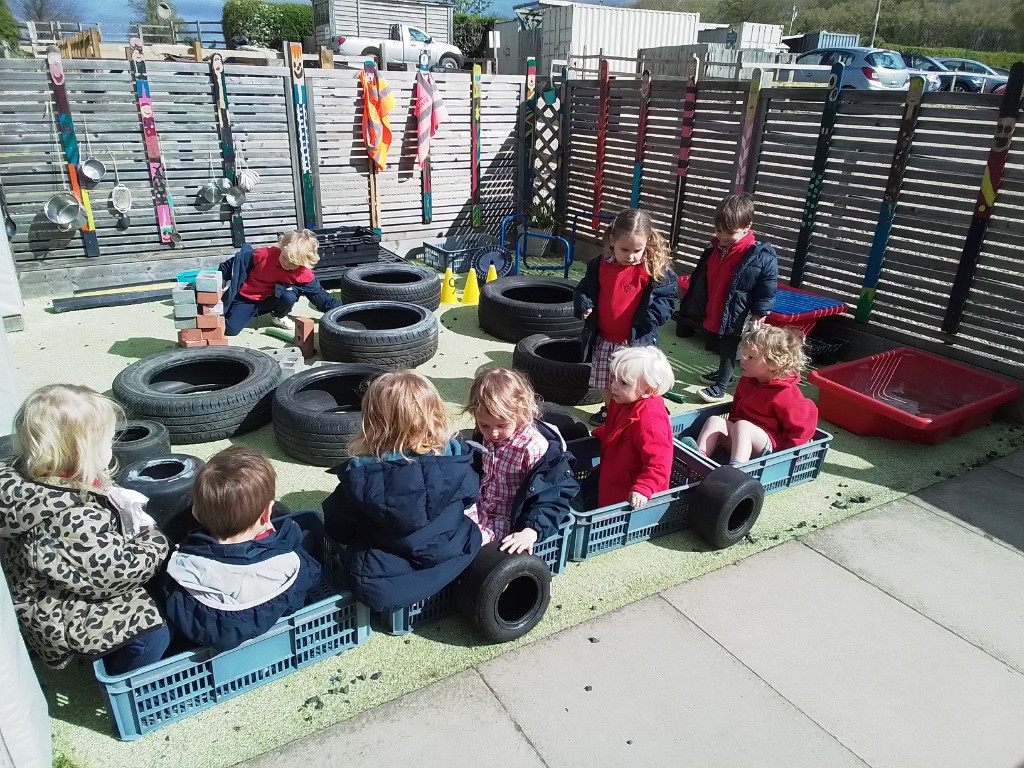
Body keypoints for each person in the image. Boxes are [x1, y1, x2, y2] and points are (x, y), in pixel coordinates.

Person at [0, 384, 171, 674]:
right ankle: (123, 673)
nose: (112, 447)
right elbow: (114, 575)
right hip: (55, 613)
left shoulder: (20, 476)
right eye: (107, 441)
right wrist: (154, 541)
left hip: (42, 588)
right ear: (81, 452)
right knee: (153, 636)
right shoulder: (69, 516)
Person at [322, 371, 482, 612]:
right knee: (468, 527)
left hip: (385, 583)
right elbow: (471, 495)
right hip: (456, 552)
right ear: (434, 415)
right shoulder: (455, 458)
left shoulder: (360, 477)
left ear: (372, 425)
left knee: (358, 561)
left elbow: (338, 528)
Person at [162, 446, 322, 653]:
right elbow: (310, 579)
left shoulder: (182, 565)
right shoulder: (290, 563)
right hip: (274, 630)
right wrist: (277, 542)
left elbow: (178, 609)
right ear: (267, 513)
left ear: (196, 514)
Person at [574, 208, 677, 426]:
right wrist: (584, 303)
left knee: (634, 382)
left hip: (635, 342)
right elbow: (583, 290)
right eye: (625, 249)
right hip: (604, 338)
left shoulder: (654, 269)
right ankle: (611, 412)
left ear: (647, 243)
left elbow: (666, 301)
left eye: (637, 250)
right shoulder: (598, 265)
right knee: (607, 381)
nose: (630, 256)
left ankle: (637, 413)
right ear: (612, 241)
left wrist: (650, 318)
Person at [464, 369, 579, 555]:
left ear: (521, 412)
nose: (493, 433)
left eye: (502, 425)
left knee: (471, 546)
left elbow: (553, 494)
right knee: (446, 528)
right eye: (484, 425)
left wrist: (530, 530)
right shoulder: (483, 435)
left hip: (509, 518)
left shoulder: (534, 447)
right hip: (481, 506)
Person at [677, 193, 779, 403]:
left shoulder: (759, 255)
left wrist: (761, 311)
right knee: (716, 342)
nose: (722, 236)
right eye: (718, 230)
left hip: (739, 311)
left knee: (728, 347)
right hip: (717, 305)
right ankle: (725, 374)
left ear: (747, 226)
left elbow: (767, 285)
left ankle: (721, 387)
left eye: (729, 232)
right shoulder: (716, 249)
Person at [692, 325, 819, 464]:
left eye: (751, 357)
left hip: (768, 448)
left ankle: (735, 470)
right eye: (744, 355)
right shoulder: (746, 381)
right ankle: (698, 459)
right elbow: (736, 411)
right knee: (715, 421)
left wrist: (787, 459)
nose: (743, 360)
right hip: (740, 437)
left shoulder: (787, 394)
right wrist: (724, 437)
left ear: (773, 363)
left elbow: (801, 430)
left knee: (743, 426)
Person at [593, 347, 676, 509]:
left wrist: (644, 488)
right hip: (613, 476)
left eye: (623, 382)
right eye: (614, 378)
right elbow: (615, 426)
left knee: (610, 521)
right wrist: (599, 434)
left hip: (630, 493)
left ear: (648, 390)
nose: (614, 386)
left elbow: (660, 463)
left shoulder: (650, 421)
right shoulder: (622, 400)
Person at [219, 229, 341, 336]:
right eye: (285, 258)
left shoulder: (302, 274)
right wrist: (222, 278)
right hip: (246, 297)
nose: (287, 264)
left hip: (272, 298)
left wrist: (343, 311)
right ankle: (246, 312)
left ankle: (279, 316)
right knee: (230, 329)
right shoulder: (264, 255)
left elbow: (322, 298)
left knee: (289, 295)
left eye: (293, 263)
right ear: (281, 247)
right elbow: (234, 263)